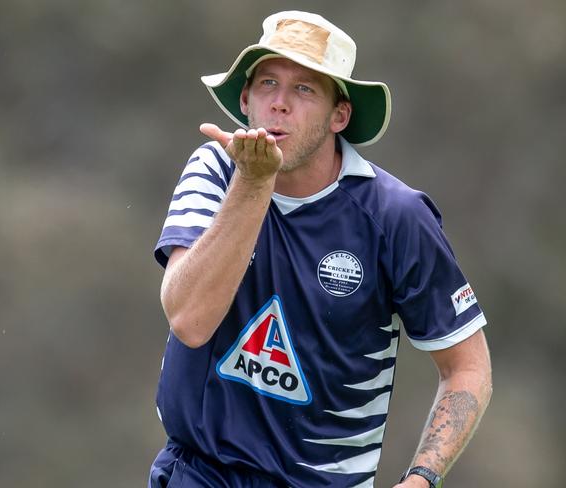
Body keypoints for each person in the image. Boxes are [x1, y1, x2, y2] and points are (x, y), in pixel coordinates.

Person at [149, 10, 492, 488]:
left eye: (304, 89)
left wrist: (421, 479)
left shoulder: (396, 217)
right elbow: (188, 319)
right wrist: (253, 182)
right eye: (267, 83)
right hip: (199, 473)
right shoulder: (217, 170)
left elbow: (467, 368)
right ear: (245, 99)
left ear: (340, 115)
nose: (280, 104)